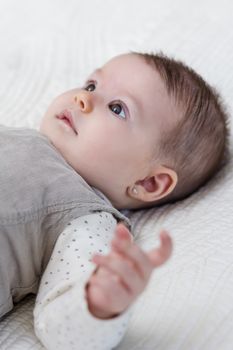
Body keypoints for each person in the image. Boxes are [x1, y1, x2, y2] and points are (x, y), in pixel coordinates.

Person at [0, 52, 229, 350]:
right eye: (92, 85)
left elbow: (63, 330)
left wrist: (100, 302)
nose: (83, 98)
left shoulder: (88, 218)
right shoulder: (20, 135)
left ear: (148, 183)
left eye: (118, 108)